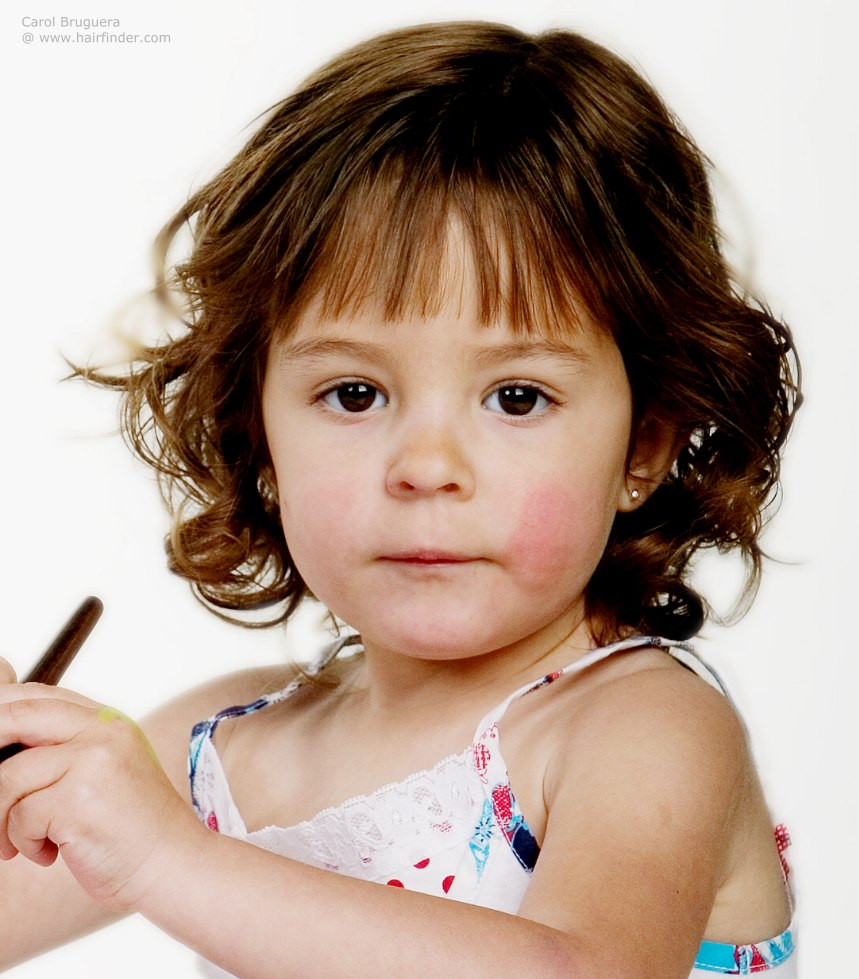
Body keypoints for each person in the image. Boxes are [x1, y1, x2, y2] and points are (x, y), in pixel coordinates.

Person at [0, 21, 800, 977]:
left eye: (516, 397)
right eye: (354, 393)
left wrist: (163, 856)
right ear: (258, 432)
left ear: (645, 445)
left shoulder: (640, 730)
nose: (425, 465)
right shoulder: (225, 742)